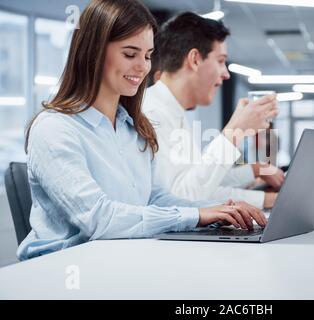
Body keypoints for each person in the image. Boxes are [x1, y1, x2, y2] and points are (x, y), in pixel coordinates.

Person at [17, 0, 267, 260]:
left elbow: (156, 198)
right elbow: (98, 218)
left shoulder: (134, 128)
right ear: (93, 52)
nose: (143, 66)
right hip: (64, 269)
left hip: (121, 259)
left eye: (147, 55)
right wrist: (197, 215)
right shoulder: (54, 129)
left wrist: (218, 210)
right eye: (129, 54)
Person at [142, 12, 284, 209]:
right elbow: (181, 199)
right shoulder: (151, 113)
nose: (226, 73)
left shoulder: (174, 111)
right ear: (195, 59)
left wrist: (260, 186)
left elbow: (203, 186)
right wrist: (234, 133)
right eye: (220, 61)